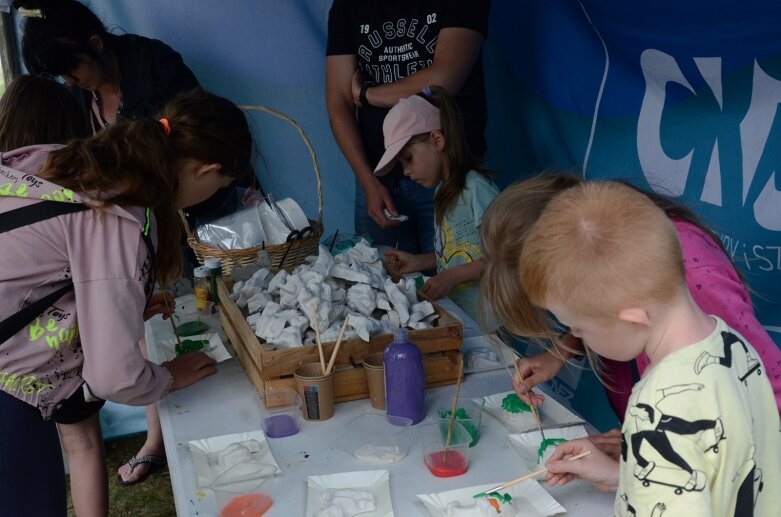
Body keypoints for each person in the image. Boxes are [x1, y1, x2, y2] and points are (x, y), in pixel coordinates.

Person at [0, 87, 252, 517]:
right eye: (220, 185)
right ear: (207, 169)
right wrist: (166, 376)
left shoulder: (80, 162)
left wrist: (124, 307)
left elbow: (42, 267)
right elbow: (114, 376)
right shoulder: (119, 214)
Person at [518, 181, 780, 515]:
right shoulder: (734, 345)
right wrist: (626, 476)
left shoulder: (658, 410)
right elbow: (725, 474)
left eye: (579, 328)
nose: (576, 337)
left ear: (633, 319)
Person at [325, 0, 490, 254]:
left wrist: (368, 95)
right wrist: (367, 179)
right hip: (377, 175)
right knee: (378, 279)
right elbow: (338, 100)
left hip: (449, 176)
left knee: (458, 273)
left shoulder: (477, 191)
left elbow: (444, 80)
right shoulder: (347, 6)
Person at [380, 86, 498, 319]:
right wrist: (418, 261)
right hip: (465, 317)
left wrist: (452, 277)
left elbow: (505, 256)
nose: (406, 171)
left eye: (408, 159)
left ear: (436, 139)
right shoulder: (440, 194)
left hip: (495, 320)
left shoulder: (476, 189)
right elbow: (460, 253)